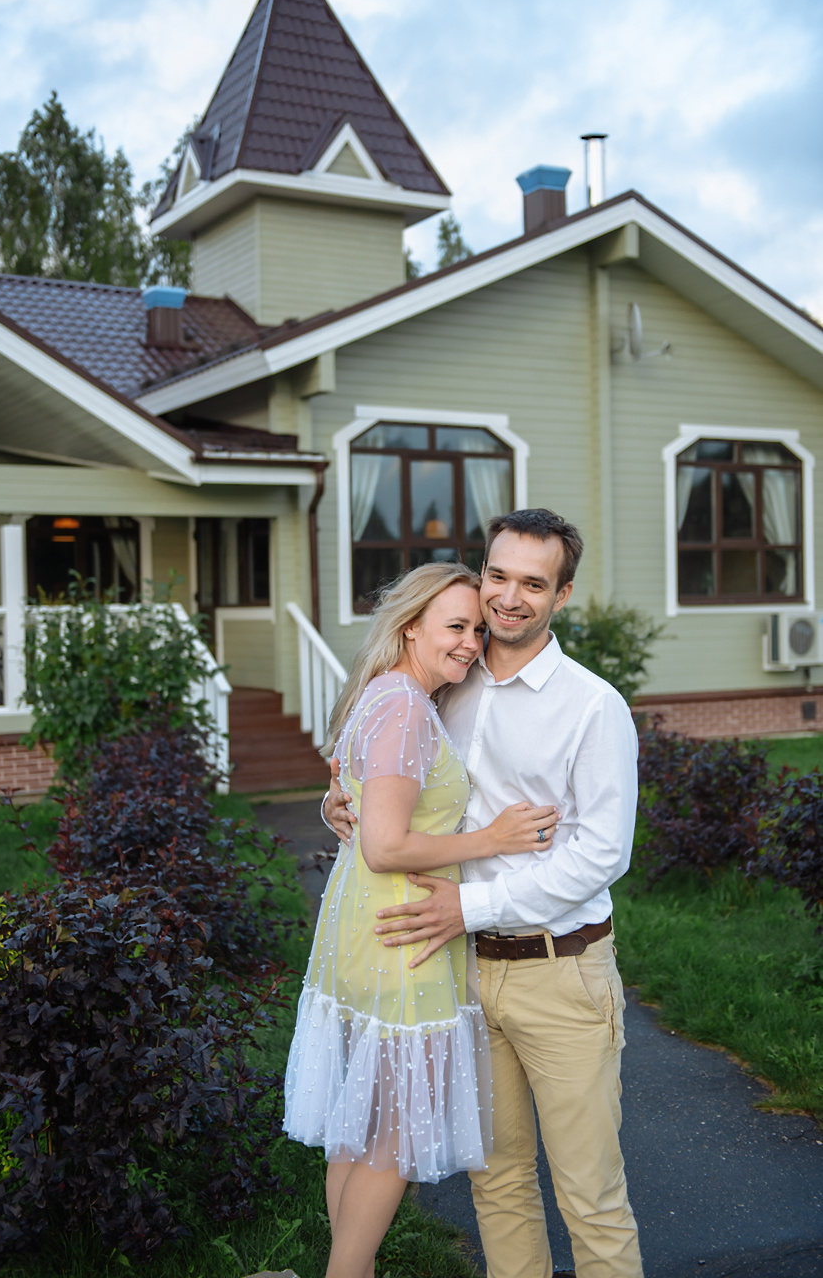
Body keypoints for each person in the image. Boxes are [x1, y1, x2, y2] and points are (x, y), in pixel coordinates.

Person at [325, 509, 644, 1278]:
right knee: (496, 1182)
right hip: (458, 972)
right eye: (498, 575)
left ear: (561, 595)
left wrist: (468, 907)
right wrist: (339, 803)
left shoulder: (592, 706)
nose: (508, 598)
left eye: (533, 583)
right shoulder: (448, 682)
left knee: (590, 1195)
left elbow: (603, 853)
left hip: (557, 971)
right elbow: (397, 784)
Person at [283, 560, 559, 1278]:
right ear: (410, 627)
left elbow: (360, 804)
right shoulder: (406, 705)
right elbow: (385, 844)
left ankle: (349, 1269)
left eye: (475, 627)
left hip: (367, 927)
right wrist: (492, 839)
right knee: (395, 1134)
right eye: (455, 627)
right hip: (405, 929)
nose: (471, 642)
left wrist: (331, 804)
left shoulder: (387, 694)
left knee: (362, 1127)